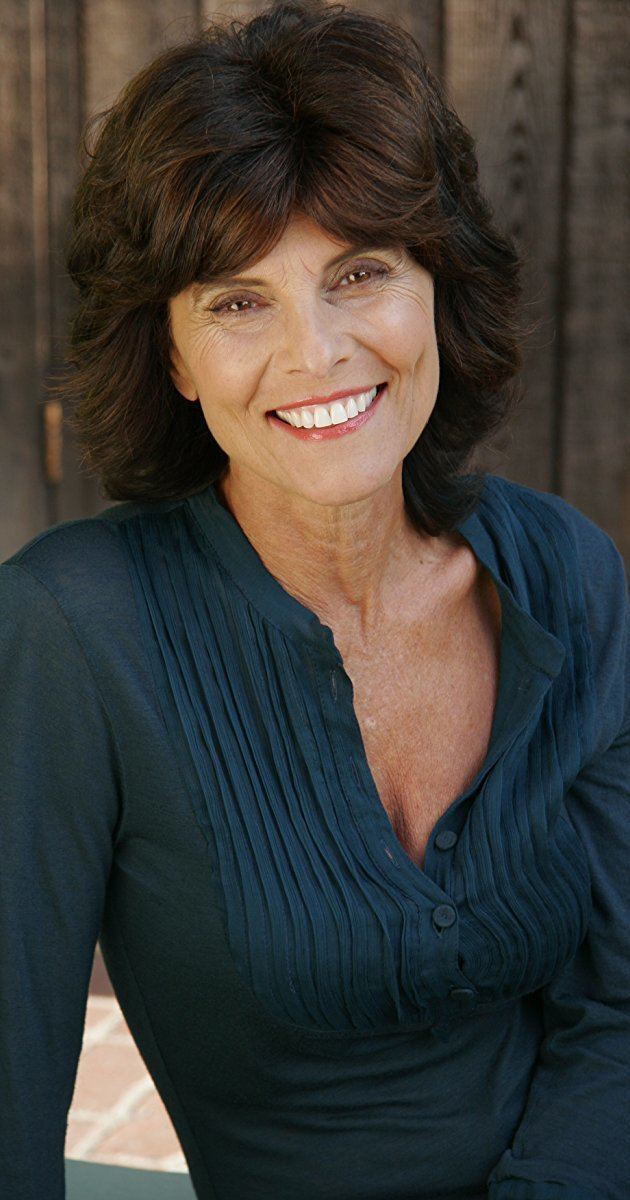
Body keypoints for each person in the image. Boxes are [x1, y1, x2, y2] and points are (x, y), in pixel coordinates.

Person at [1, 2, 628, 1197]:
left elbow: (623, 1006)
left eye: (361, 273)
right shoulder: (73, 633)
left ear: (435, 286)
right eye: (239, 301)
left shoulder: (565, 572)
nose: (319, 350)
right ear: (174, 355)